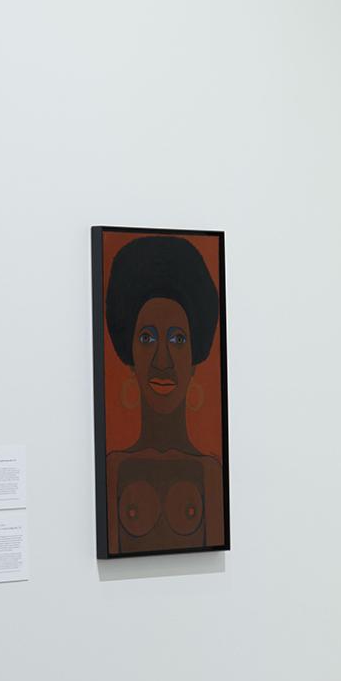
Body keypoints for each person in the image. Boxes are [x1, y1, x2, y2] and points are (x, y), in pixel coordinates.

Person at [103, 235, 226, 553]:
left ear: (195, 357)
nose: (162, 360)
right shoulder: (113, 469)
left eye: (178, 339)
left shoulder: (211, 473)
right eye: (146, 338)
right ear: (129, 353)